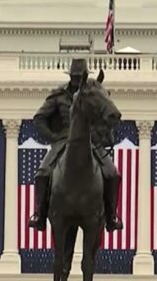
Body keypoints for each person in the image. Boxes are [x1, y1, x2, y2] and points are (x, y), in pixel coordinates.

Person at [28, 58, 124, 232]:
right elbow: (39, 118)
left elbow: (105, 116)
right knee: (42, 173)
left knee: (113, 174)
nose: (77, 81)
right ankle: (40, 214)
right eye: (75, 77)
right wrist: (54, 136)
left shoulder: (94, 93)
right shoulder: (58, 95)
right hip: (63, 141)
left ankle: (111, 215)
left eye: (80, 78)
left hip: (92, 142)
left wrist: (102, 134)